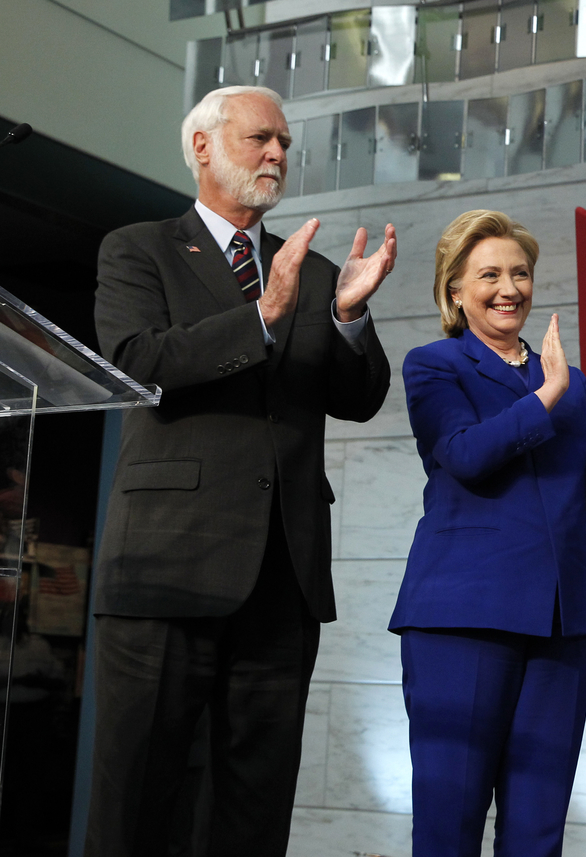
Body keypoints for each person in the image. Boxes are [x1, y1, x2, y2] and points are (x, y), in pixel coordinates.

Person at [87, 85, 394, 857]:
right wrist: (262, 319)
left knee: (253, 813)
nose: (278, 155)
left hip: (280, 581)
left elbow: (359, 399)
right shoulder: (139, 248)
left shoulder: (318, 273)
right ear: (202, 145)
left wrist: (350, 320)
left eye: (285, 144)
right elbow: (136, 360)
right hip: (166, 566)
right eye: (262, 138)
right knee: (138, 803)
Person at [388, 210, 586, 857]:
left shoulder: (570, 386)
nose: (508, 286)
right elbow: (465, 454)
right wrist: (545, 396)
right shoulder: (434, 366)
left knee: (538, 827)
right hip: (464, 619)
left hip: (562, 623)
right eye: (489, 274)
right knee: (449, 818)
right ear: (455, 290)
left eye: (520, 272)